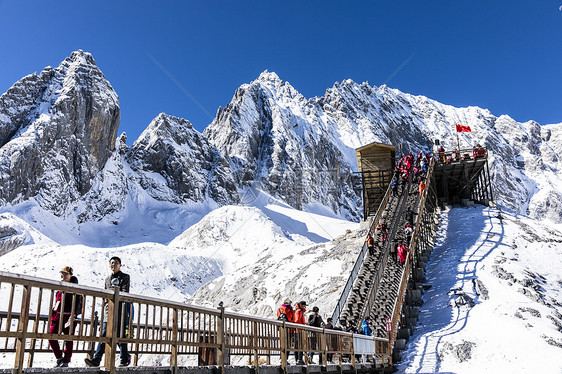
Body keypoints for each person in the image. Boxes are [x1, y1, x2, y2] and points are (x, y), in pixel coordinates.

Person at [85, 257, 131, 367]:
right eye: (111, 263)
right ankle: (97, 359)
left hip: (121, 310)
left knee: (120, 334)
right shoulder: (107, 279)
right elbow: (105, 294)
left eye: (115, 263)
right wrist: (106, 304)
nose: (113, 265)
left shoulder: (125, 277)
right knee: (104, 334)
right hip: (108, 312)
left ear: (120, 264)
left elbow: (125, 292)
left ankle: (124, 358)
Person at [49, 267, 81, 367]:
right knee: (51, 336)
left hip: (69, 316)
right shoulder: (60, 288)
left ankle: (66, 360)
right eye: (62, 273)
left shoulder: (75, 288)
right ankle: (59, 357)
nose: (63, 275)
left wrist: (74, 314)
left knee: (68, 338)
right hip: (57, 316)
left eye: (65, 274)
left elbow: (78, 303)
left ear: (71, 275)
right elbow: (56, 302)